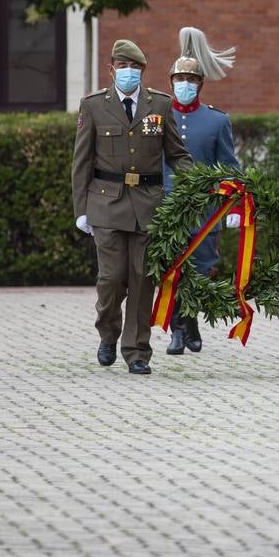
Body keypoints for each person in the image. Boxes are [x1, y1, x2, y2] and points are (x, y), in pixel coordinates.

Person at [72, 39, 192, 375]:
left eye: (135, 68)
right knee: (111, 279)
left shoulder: (160, 105)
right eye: (122, 67)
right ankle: (108, 333)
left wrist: (198, 182)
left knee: (142, 281)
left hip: (148, 207)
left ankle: (137, 351)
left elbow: (177, 155)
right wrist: (81, 208)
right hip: (106, 204)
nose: (129, 73)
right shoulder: (94, 106)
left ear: (143, 71)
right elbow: (81, 162)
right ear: (111, 70)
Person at [164, 27, 241, 355]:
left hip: (204, 211)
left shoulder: (216, 121)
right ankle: (178, 330)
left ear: (200, 84)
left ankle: (190, 320)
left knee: (200, 268)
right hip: (167, 207)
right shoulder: (160, 116)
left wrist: (234, 206)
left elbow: (229, 166)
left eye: (190, 80)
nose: (184, 85)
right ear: (171, 82)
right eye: (179, 79)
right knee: (172, 268)